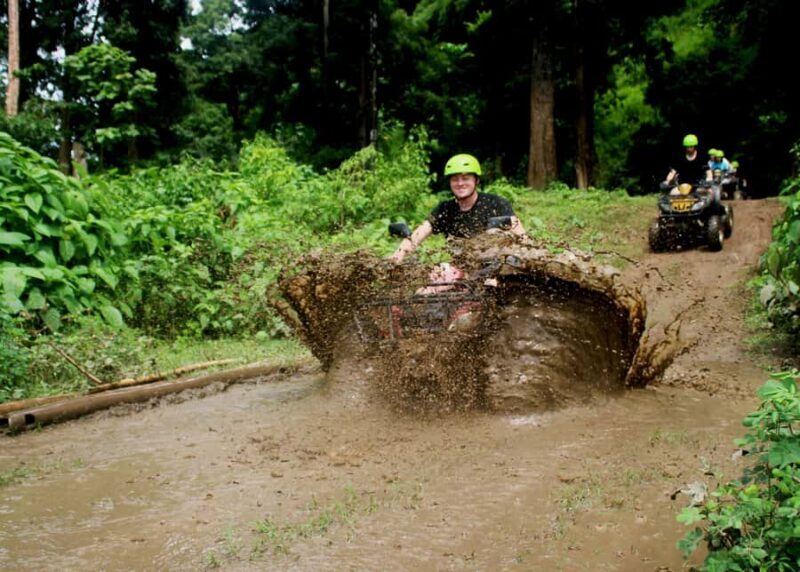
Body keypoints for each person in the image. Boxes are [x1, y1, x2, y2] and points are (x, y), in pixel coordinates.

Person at [390, 153, 527, 263]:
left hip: (497, 270)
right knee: (425, 290)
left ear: (476, 181)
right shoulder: (445, 209)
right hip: (462, 271)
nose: (460, 183)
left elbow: (522, 237)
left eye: (465, 178)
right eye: (455, 179)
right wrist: (397, 256)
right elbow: (418, 235)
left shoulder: (496, 204)